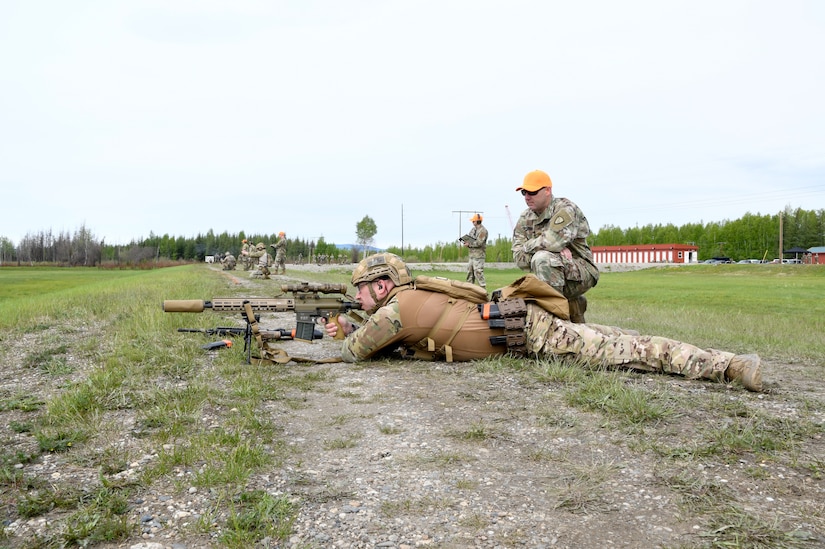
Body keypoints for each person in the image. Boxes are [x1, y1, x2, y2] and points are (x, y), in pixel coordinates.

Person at [324, 253, 763, 392]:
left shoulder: (396, 310)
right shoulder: (408, 299)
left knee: (631, 351)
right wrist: (355, 319)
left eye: (361, 289)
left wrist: (347, 329)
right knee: (624, 340)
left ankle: (727, 367)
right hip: (525, 324)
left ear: (382, 286)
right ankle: (723, 362)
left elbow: (354, 352)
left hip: (533, 333)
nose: (358, 296)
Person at [512, 169, 599, 323]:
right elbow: (519, 258)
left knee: (543, 259)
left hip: (581, 270)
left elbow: (553, 241)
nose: (527, 197)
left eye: (532, 192)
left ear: (547, 190)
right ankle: (571, 315)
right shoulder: (525, 218)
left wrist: (532, 246)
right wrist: (552, 248)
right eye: (524, 192)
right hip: (551, 270)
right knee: (543, 259)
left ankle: (554, 325)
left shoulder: (565, 208)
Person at [462, 213, 488, 290]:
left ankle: (483, 290)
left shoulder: (483, 231)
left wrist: (469, 244)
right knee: (470, 273)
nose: (472, 222)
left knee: (478, 273)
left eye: (473, 221)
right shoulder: (473, 230)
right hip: (472, 256)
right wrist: (465, 241)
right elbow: (469, 238)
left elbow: (479, 243)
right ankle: (469, 290)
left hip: (479, 256)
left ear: (477, 221)